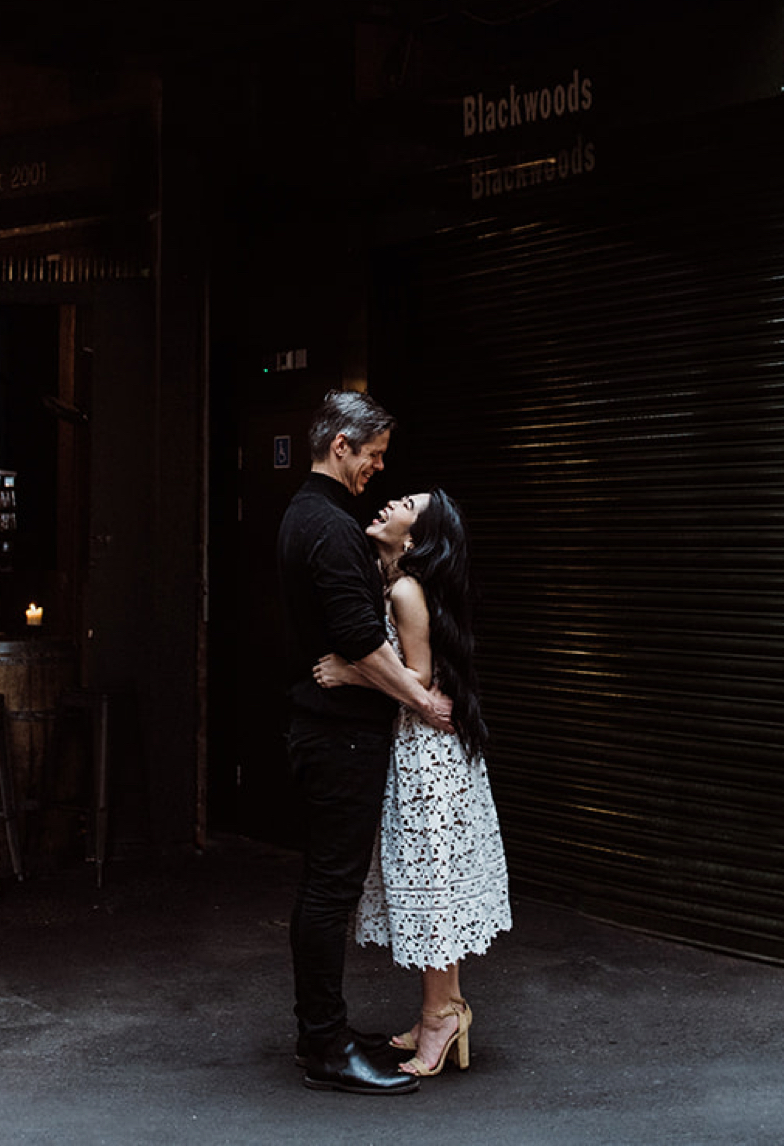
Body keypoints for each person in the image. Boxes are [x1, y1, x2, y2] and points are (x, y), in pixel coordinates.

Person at [277, 389, 452, 1095]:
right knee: (330, 888)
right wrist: (421, 699)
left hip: (322, 729)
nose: (379, 468)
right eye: (374, 454)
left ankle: (321, 1032)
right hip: (338, 735)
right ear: (340, 445)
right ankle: (325, 1045)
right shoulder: (332, 526)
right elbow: (360, 638)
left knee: (326, 884)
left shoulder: (304, 514)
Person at [316, 489, 510, 1078]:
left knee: (432, 886)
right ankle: (444, 1007)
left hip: (427, 757)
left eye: (404, 504)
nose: (387, 503)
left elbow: (420, 678)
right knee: (436, 887)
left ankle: (440, 1019)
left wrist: (350, 672)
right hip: (427, 750)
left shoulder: (404, 589)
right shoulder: (398, 583)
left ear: (416, 536)